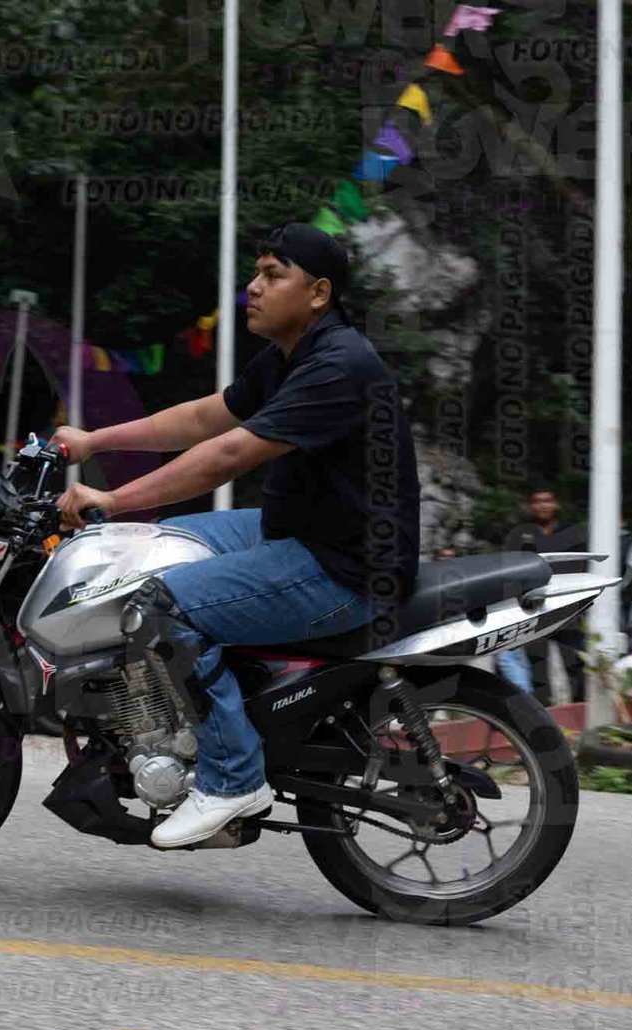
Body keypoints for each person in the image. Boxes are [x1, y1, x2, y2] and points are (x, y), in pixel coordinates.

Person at [51, 223, 420, 848]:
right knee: (148, 549)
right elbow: (205, 417)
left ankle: (232, 779)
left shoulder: (338, 366)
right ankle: (201, 716)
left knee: (160, 605)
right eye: (256, 272)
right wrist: (94, 441)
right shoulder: (290, 356)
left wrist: (111, 499)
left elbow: (227, 455)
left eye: (274, 275)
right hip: (297, 533)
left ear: (319, 293)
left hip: (346, 566)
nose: (253, 287)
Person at [498, 487, 589, 701]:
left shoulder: (572, 532)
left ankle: (582, 707)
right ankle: (543, 713)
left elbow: (583, 565)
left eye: (547, 500)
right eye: (537, 501)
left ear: (556, 504)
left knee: (576, 661)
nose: (543, 506)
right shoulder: (520, 534)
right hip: (533, 608)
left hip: (568, 606)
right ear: (531, 506)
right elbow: (509, 570)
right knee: (537, 666)